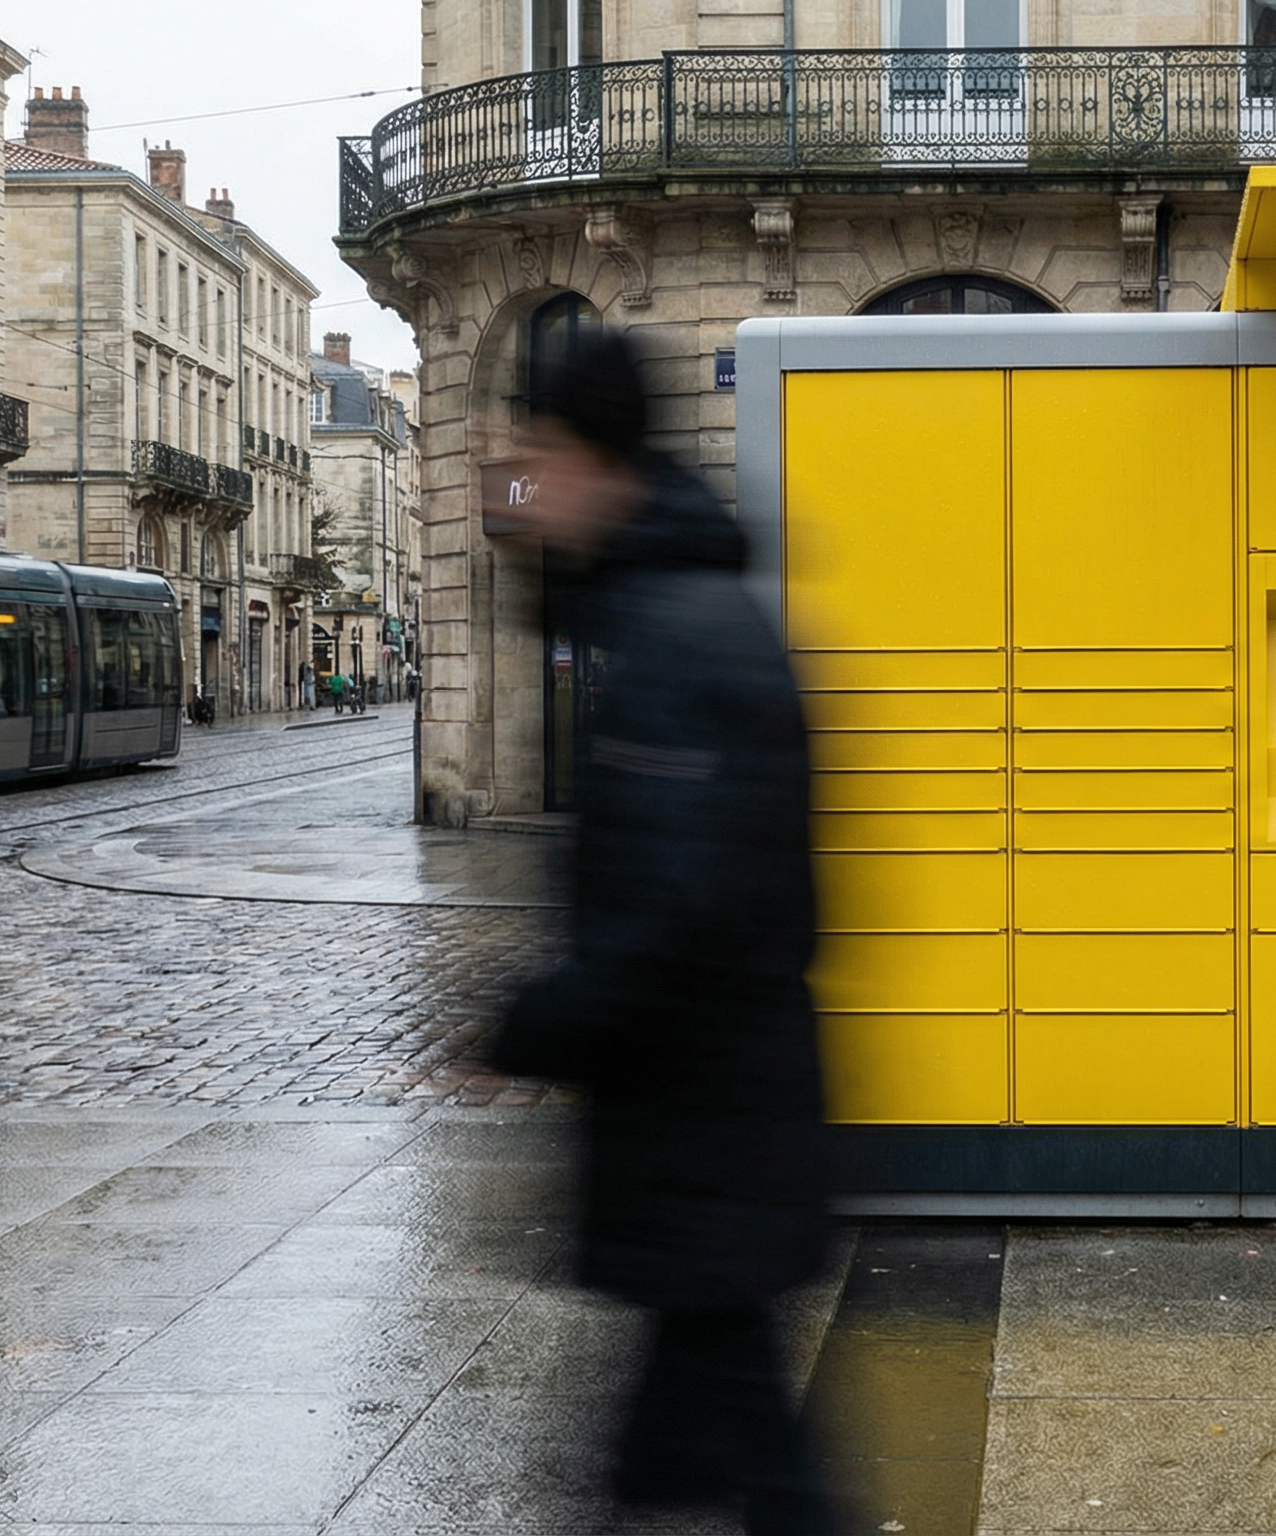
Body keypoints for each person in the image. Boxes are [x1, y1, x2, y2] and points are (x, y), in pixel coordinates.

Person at [485, 326, 832, 1536]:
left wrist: (540, 1017)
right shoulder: (671, 613)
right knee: (684, 1445)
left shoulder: (678, 636)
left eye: (535, 448)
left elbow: (685, 902)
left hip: (705, 1123)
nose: (522, 478)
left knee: (741, 1442)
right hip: (711, 1122)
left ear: (590, 454)